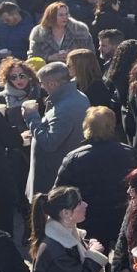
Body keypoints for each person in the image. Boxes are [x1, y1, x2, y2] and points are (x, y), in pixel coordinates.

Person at [54, 107, 137, 249]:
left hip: (89, 221)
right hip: (124, 217)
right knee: (124, 261)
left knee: (96, 262)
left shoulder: (74, 158)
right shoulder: (130, 154)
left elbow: (59, 193)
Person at [24, 62, 89, 201]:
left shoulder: (65, 108)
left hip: (54, 180)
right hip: (64, 175)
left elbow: (50, 143)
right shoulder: (77, 96)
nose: (41, 87)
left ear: (52, 84)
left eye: (42, 83)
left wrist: (31, 117)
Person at [30, 3, 94, 64]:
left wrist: (73, 55)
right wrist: (50, 57)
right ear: (51, 16)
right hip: (48, 71)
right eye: (61, 15)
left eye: (66, 14)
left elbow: (91, 54)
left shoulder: (80, 30)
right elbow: (32, 57)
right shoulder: (38, 33)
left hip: (76, 70)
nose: (65, 17)